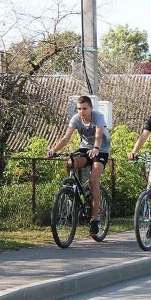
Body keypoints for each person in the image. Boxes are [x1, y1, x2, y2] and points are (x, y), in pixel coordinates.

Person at [47, 95, 110, 237]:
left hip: (101, 150)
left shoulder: (98, 116)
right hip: (85, 148)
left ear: (91, 108)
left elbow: (99, 136)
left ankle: (95, 220)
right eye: (79, 109)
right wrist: (53, 150)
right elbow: (66, 137)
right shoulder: (76, 118)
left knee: (93, 181)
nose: (82, 111)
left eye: (85, 108)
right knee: (71, 162)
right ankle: (73, 189)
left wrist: (96, 148)